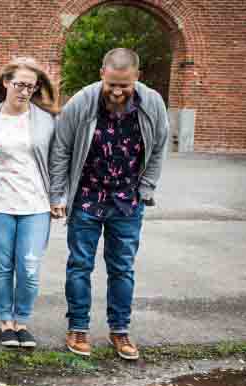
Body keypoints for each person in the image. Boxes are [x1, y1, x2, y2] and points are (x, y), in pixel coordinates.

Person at [50, 47, 169, 360]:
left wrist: (146, 188)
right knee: (80, 265)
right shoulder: (82, 102)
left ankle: (120, 330)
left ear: (136, 78)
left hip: (127, 201)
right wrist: (58, 195)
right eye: (111, 84)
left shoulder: (152, 102)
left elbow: (158, 147)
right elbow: (61, 148)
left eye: (124, 85)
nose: (117, 91)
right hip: (87, 197)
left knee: (122, 268)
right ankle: (77, 327)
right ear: (102, 74)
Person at [0, 58, 59, 349]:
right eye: (20, 85)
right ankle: (5, 323)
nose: (24, 91)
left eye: (31, 87)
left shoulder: (45, 120)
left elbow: (56, 162)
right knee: (2, 266)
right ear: (6, 83)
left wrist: (58, 198)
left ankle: (22, 321)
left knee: (30, 266)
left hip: (36, 204)